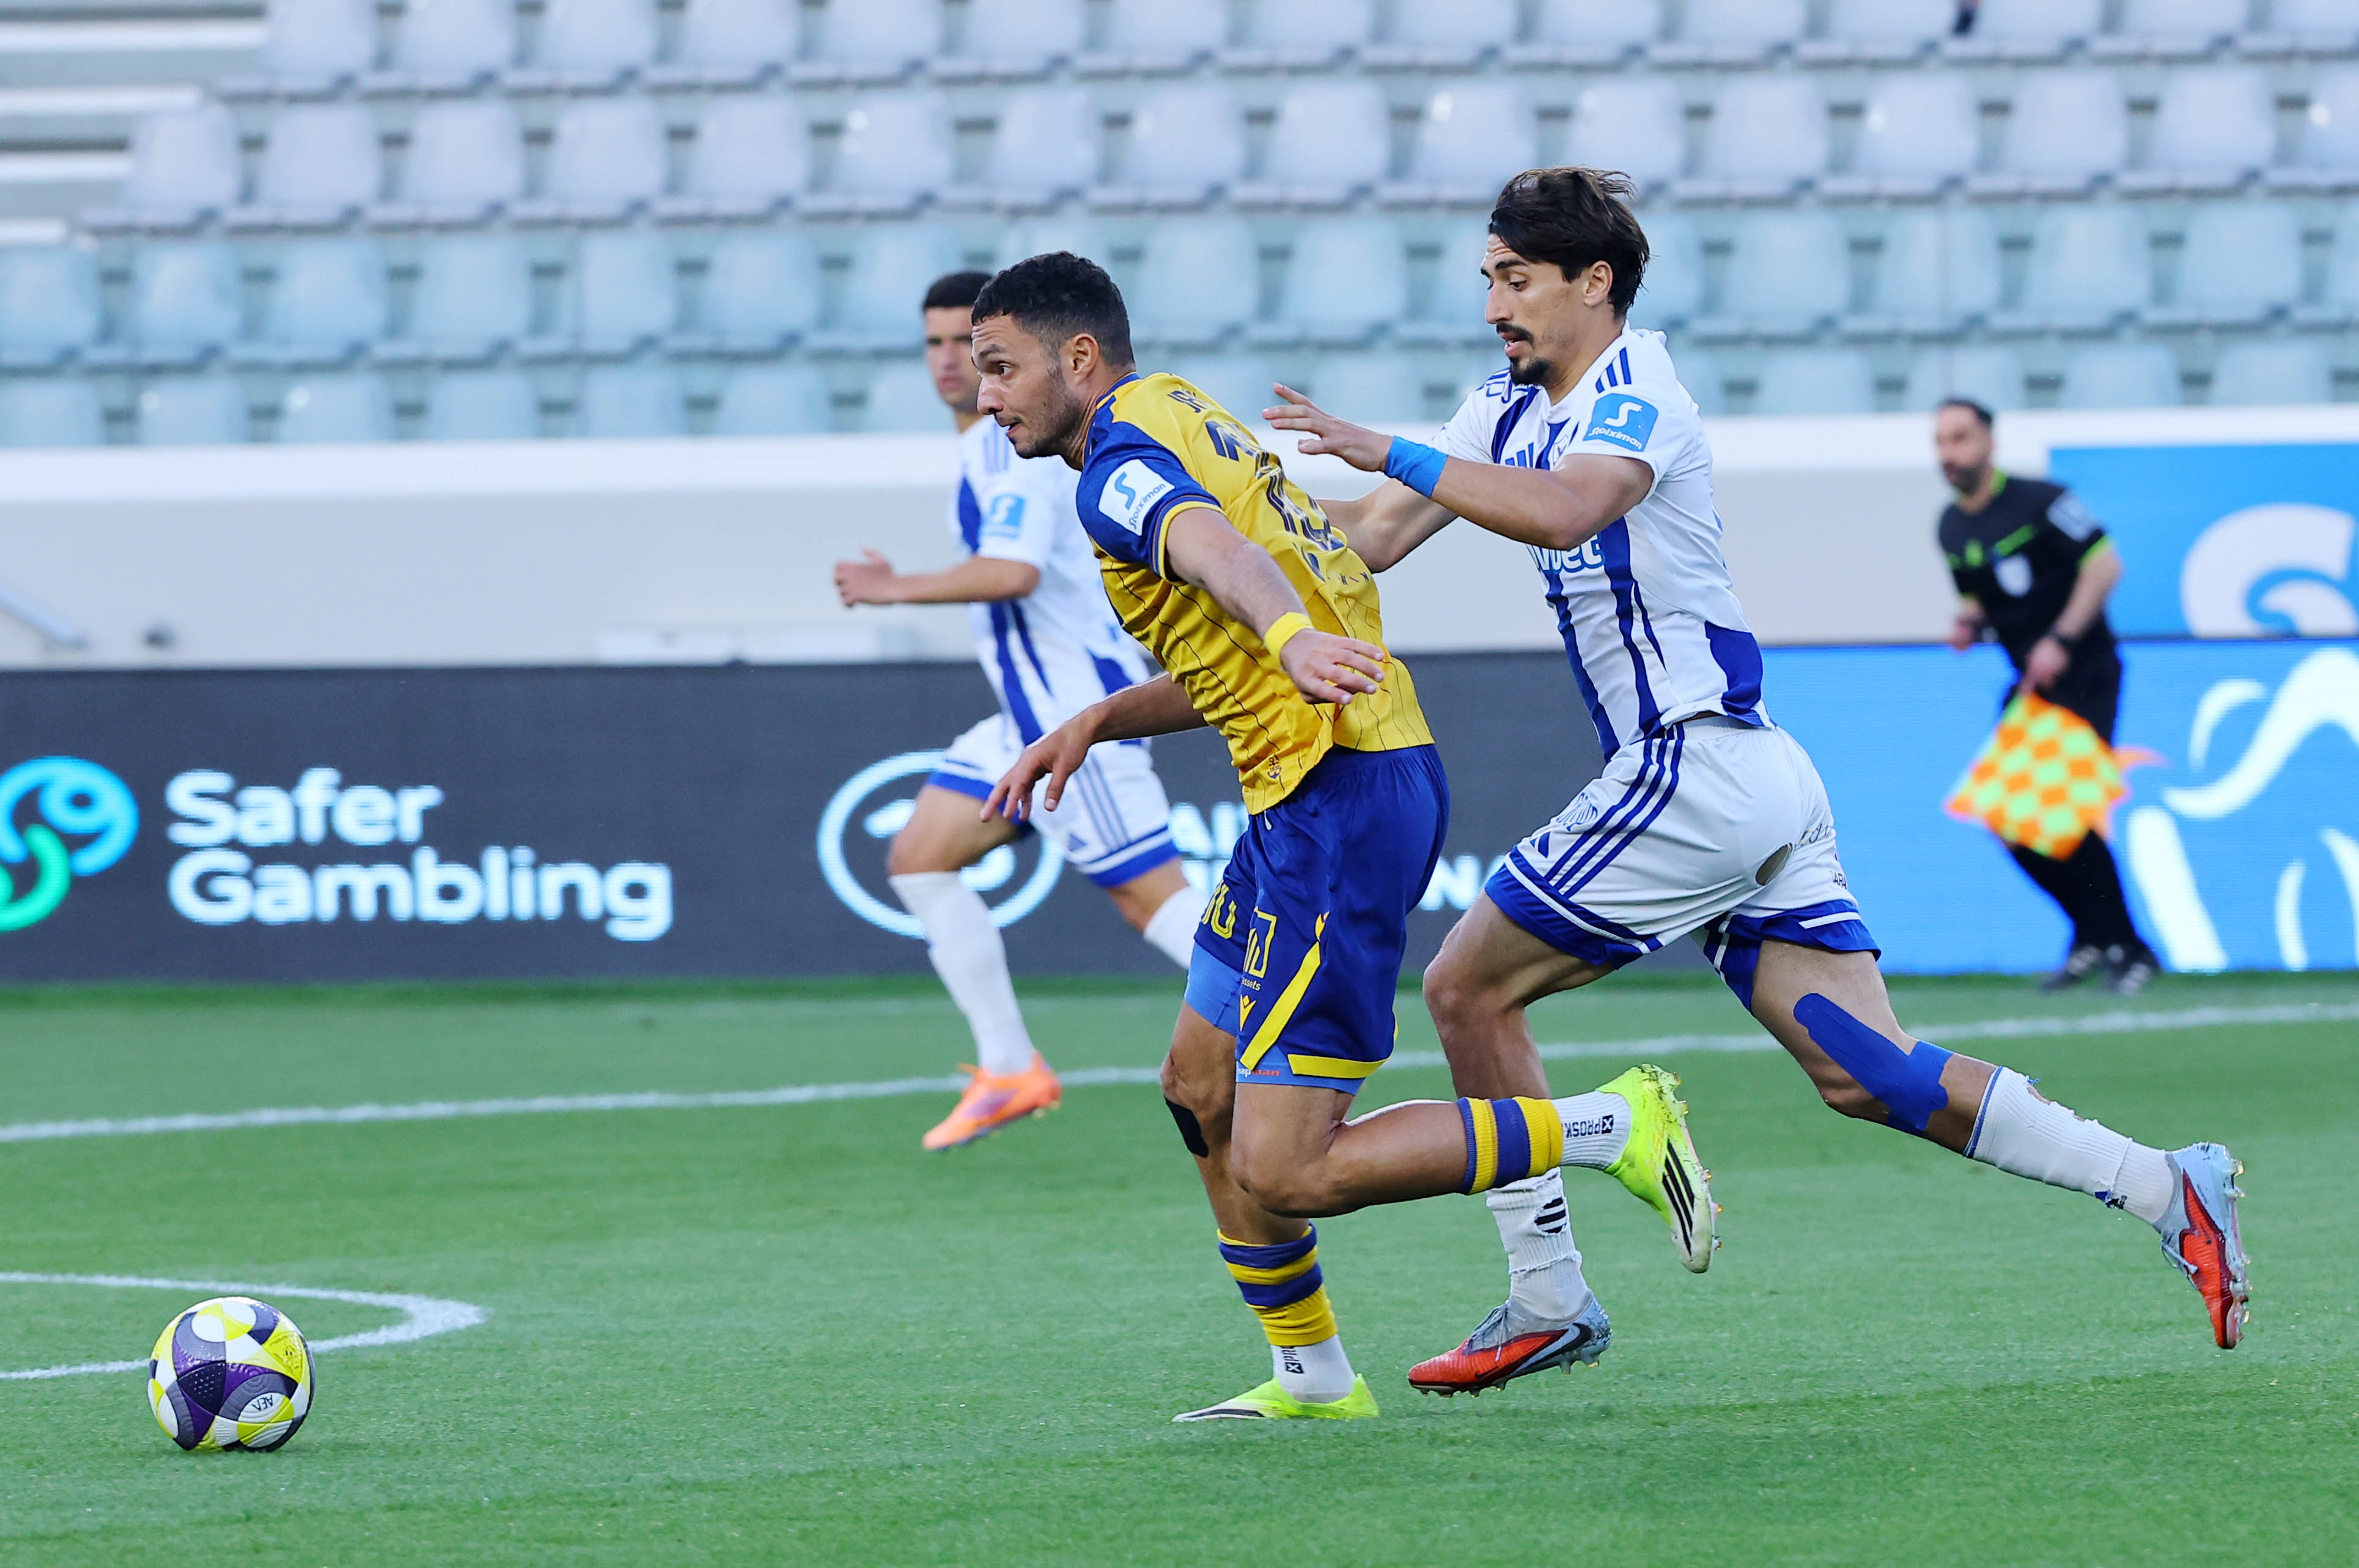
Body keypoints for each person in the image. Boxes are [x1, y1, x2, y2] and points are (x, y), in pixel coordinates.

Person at [1259, 166, 2249, 1391]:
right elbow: (1374, 534)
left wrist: (1388, 444)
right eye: (1488, 282)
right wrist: (1219, 524)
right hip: (1755, 773)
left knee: (1466, 988)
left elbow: (1573, 512)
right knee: (1866, 1072)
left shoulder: (1639, 390)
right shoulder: (1502, 407)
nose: (1494, 307)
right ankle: (2169, 1183)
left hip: (1693, 766)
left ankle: (1547, 1297)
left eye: (1516, 281)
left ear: (1595, 281)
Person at [971, 251, 1707, 1423]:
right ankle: (1312, 1377)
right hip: (1305, 787)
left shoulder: (1112, 463)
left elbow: (1223, 559)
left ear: (1078, 358)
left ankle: (1606, 1125)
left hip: (1338, 791)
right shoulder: (1182, 413)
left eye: (998, 367)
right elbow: (1246, 615)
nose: (983, 394)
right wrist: (1106, 717)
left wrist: (1285, 640)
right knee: (1195, 1086)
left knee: (1289, 1165)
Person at [833, 271, 1205, 1152]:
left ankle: (1304, 1011)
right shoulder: (987, 447)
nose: (947, 361)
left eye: (964, 343)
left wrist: (892, 590)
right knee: (919, 856)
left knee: (1154, 904)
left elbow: (1014, 571)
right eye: (931, 344)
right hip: (1022, 714)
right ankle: (1008, 1067)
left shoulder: (1009, 447)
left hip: (1073, 716)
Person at [1935, 398, 2161, 995]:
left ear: (1988, 441)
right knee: (2009, 820)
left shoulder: (2041, 500)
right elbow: (1979, 596)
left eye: (1960, 439)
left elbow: (2104, 566)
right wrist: (1968, 623)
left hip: (2084, 675)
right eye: (1940, 442)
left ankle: (2126, 946)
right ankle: (2094, 936)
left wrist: (2061, 638)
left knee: (2061, 816)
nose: (1949, 454)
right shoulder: (1951, 527)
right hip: (2031, 686)